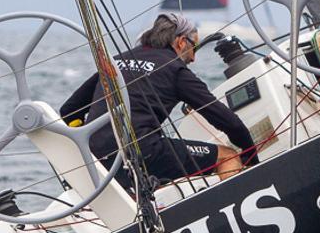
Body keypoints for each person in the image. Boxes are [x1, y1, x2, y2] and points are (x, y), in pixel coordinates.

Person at [60, 13, 258, 189]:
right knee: (227, 156)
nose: (193, 58)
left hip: (95, 158)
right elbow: (227, 121)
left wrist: (89, 137)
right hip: (142, 153)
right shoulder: (176, 70)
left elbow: (69, 110)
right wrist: (251, 158)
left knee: (162, 176)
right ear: (181, 42)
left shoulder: (116, 61)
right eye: (194, 47)